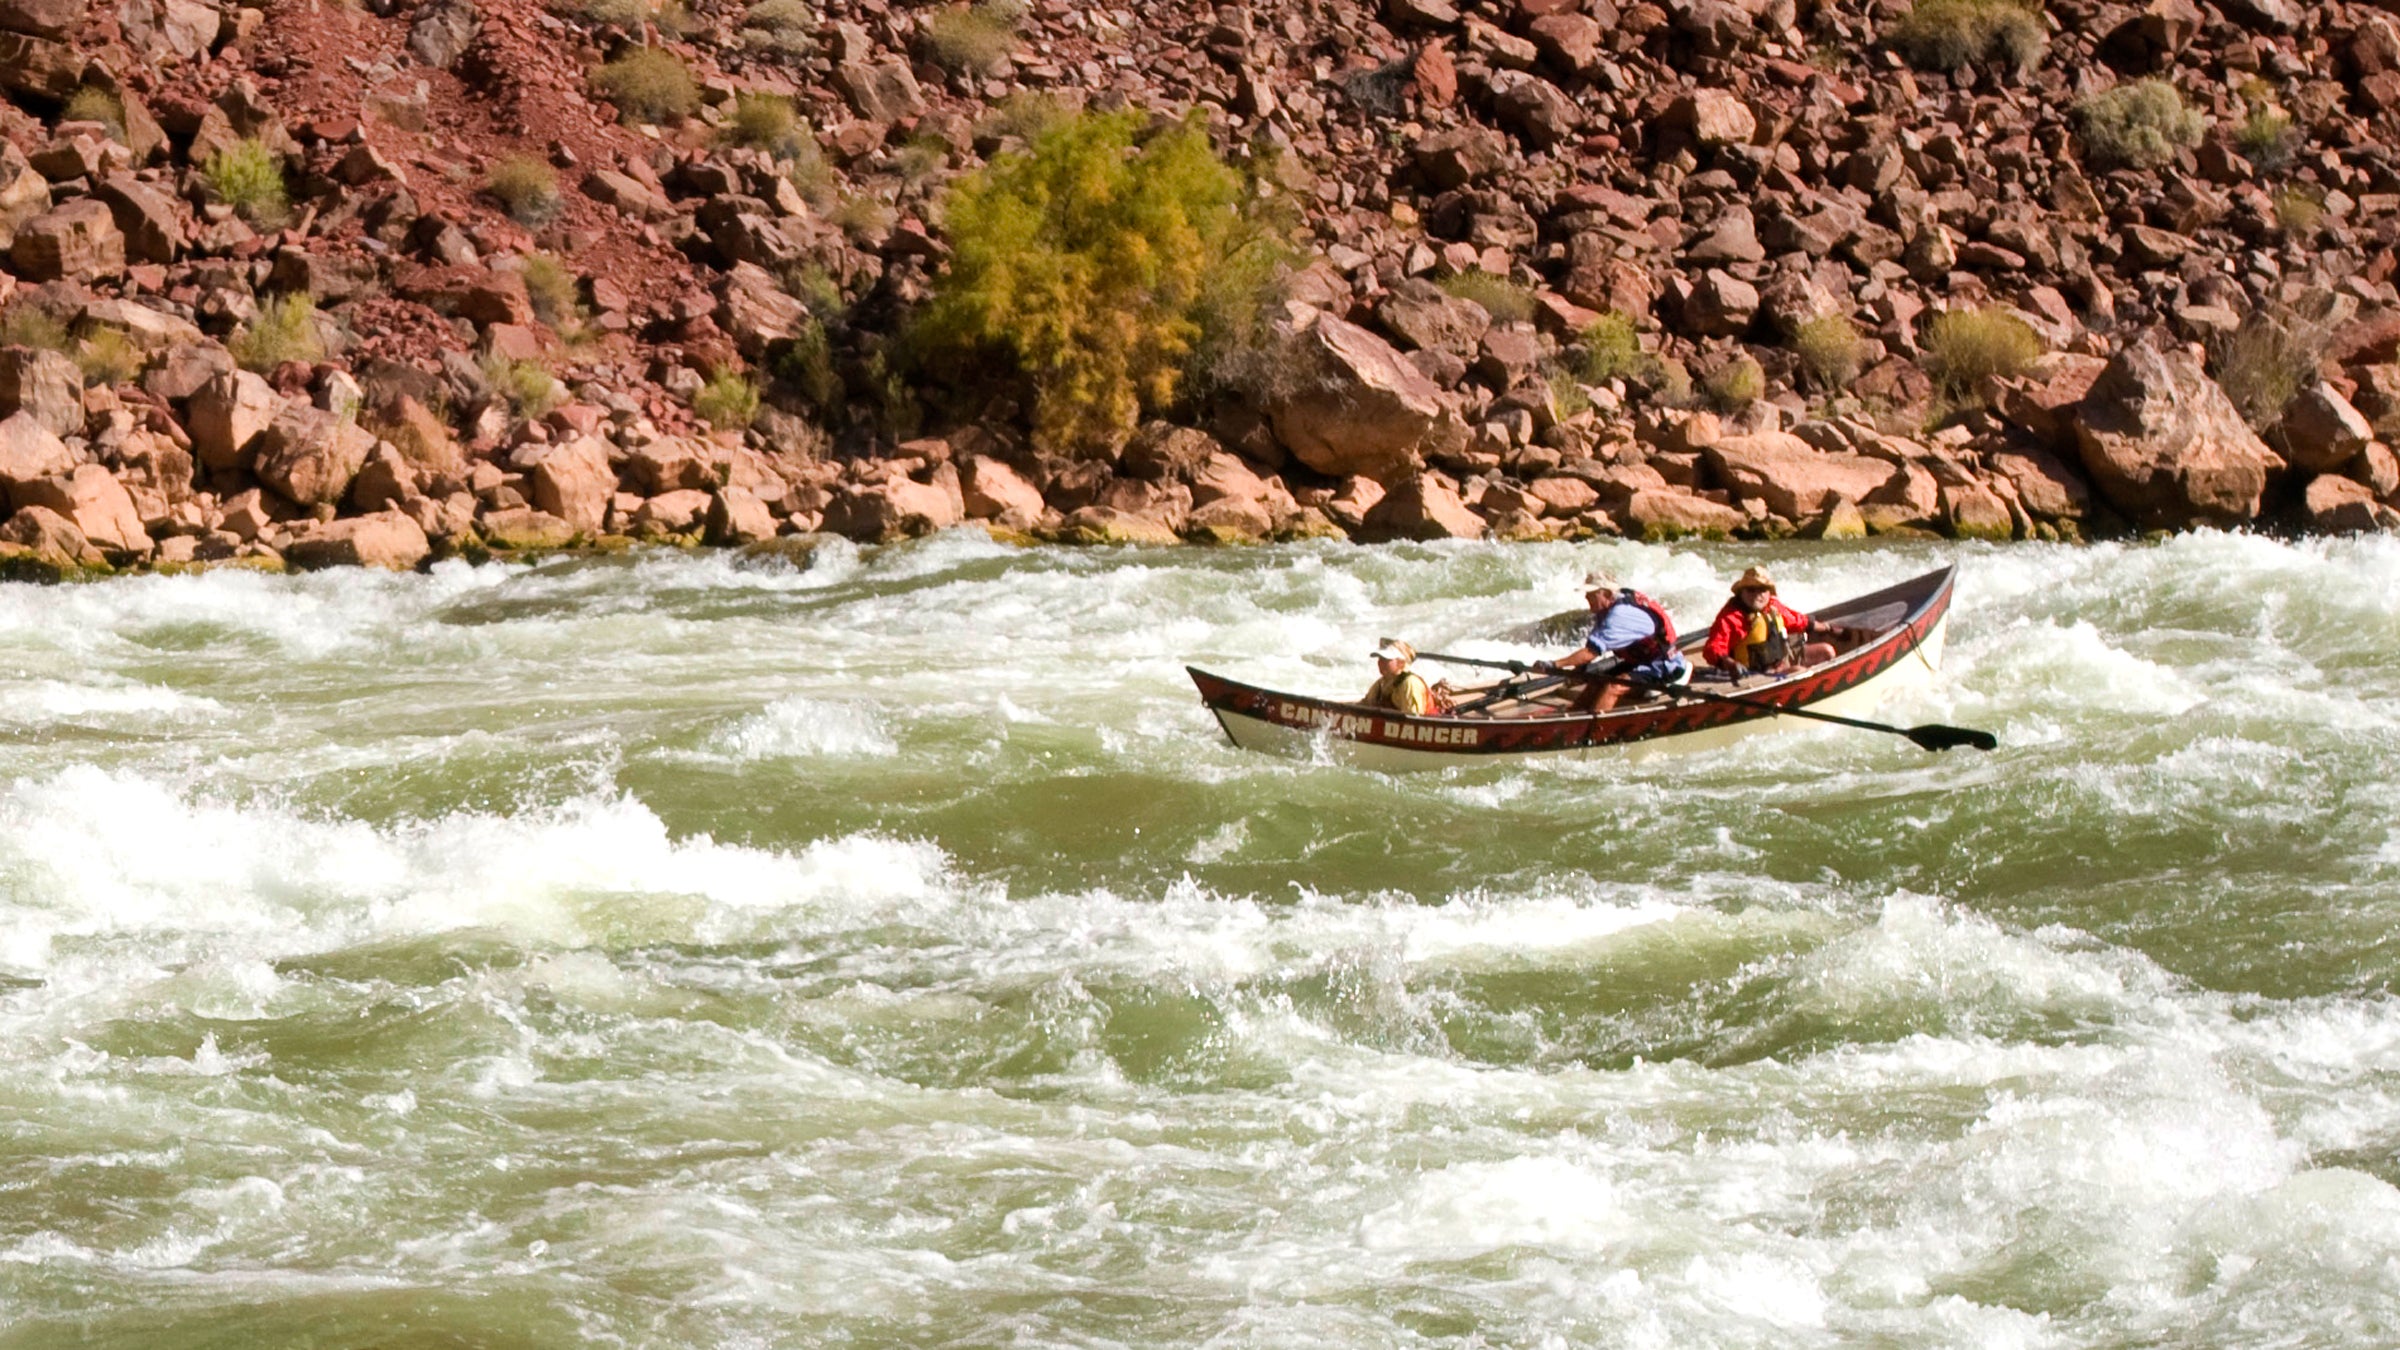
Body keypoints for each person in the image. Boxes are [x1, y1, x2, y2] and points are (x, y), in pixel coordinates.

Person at [1538, 572, 1689, 713]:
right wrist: (1578, 671)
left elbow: (1590, 653)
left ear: (1607, 594)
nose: (1586, 597)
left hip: (1664, 667)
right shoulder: (1606, 609)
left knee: (1613, 686)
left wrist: (1554, 665)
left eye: (1591, 594)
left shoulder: (1620, 615)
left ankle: (1596, 728)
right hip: (1640, 661)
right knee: (1597, 681)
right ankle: (1574, 715)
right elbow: (1590, 649)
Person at [1702, 567, 1839, 677]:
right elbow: (1712, 649)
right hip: (1754, 674)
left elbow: (1798, 621)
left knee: (1827, 651)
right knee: (1799, 672)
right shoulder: (1731, 617)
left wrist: (1828, 628)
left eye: (1762, 590)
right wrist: (1730, 663)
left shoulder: (1773, 606)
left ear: (1769, 593)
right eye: (1751, 590)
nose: (1757, 595)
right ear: (1741, 593)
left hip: (1780, 661)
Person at [1361, 638, 1434, 715]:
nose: (1380, 663)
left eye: (1385, 659)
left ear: (1400, 662)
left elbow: (1413, 717)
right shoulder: (1382, 683)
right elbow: (1365, 704)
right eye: (1380, 659)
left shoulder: (1410, 683)